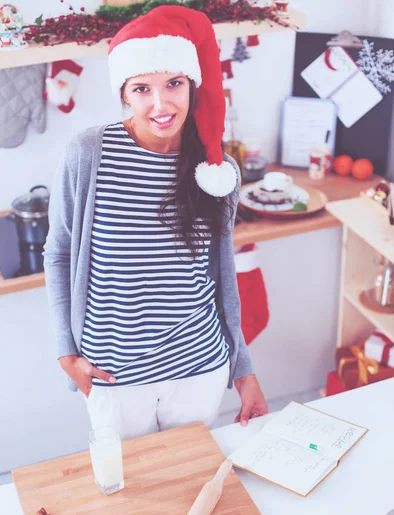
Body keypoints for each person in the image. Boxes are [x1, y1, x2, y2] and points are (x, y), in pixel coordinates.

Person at [43, 5, 268, 441]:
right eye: (142, 88)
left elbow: (221, 276)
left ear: (192, 85)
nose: (161, 103)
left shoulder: (216, 169)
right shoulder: (89, 154)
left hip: (199, 369)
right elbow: (59, 252)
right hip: (114, 377)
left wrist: (241, 367)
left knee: (191, 486)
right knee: (131, 497)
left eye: (174, 84)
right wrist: (65, 351)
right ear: (124, 94)